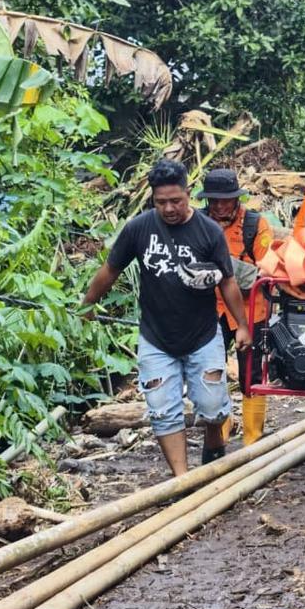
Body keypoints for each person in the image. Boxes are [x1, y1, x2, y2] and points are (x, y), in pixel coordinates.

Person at [82, 160, 250, 476]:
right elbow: (111, 270)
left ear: (188, 193)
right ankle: (182, 481)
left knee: (213, 408)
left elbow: (227, 280)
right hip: (156, 338)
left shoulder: (209, 231)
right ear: (152, 199)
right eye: (161, 202)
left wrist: (241, 325)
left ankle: (214, 441)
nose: (169, 208)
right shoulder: (139, 229)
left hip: (203, 335)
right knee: (162, 411)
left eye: (176, 200)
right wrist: (88, 303)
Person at [200, 168, 272, 446]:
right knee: (209, 369)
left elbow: (264, 270)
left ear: (236, 198)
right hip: (208, 309)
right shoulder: (198, 221)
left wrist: (221, 265)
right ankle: (220, 429)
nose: (219, 206)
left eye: (225, 200)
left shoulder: (255, 224)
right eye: (214, 200)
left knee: (251, 371)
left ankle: (253, 438)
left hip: (250, 309)